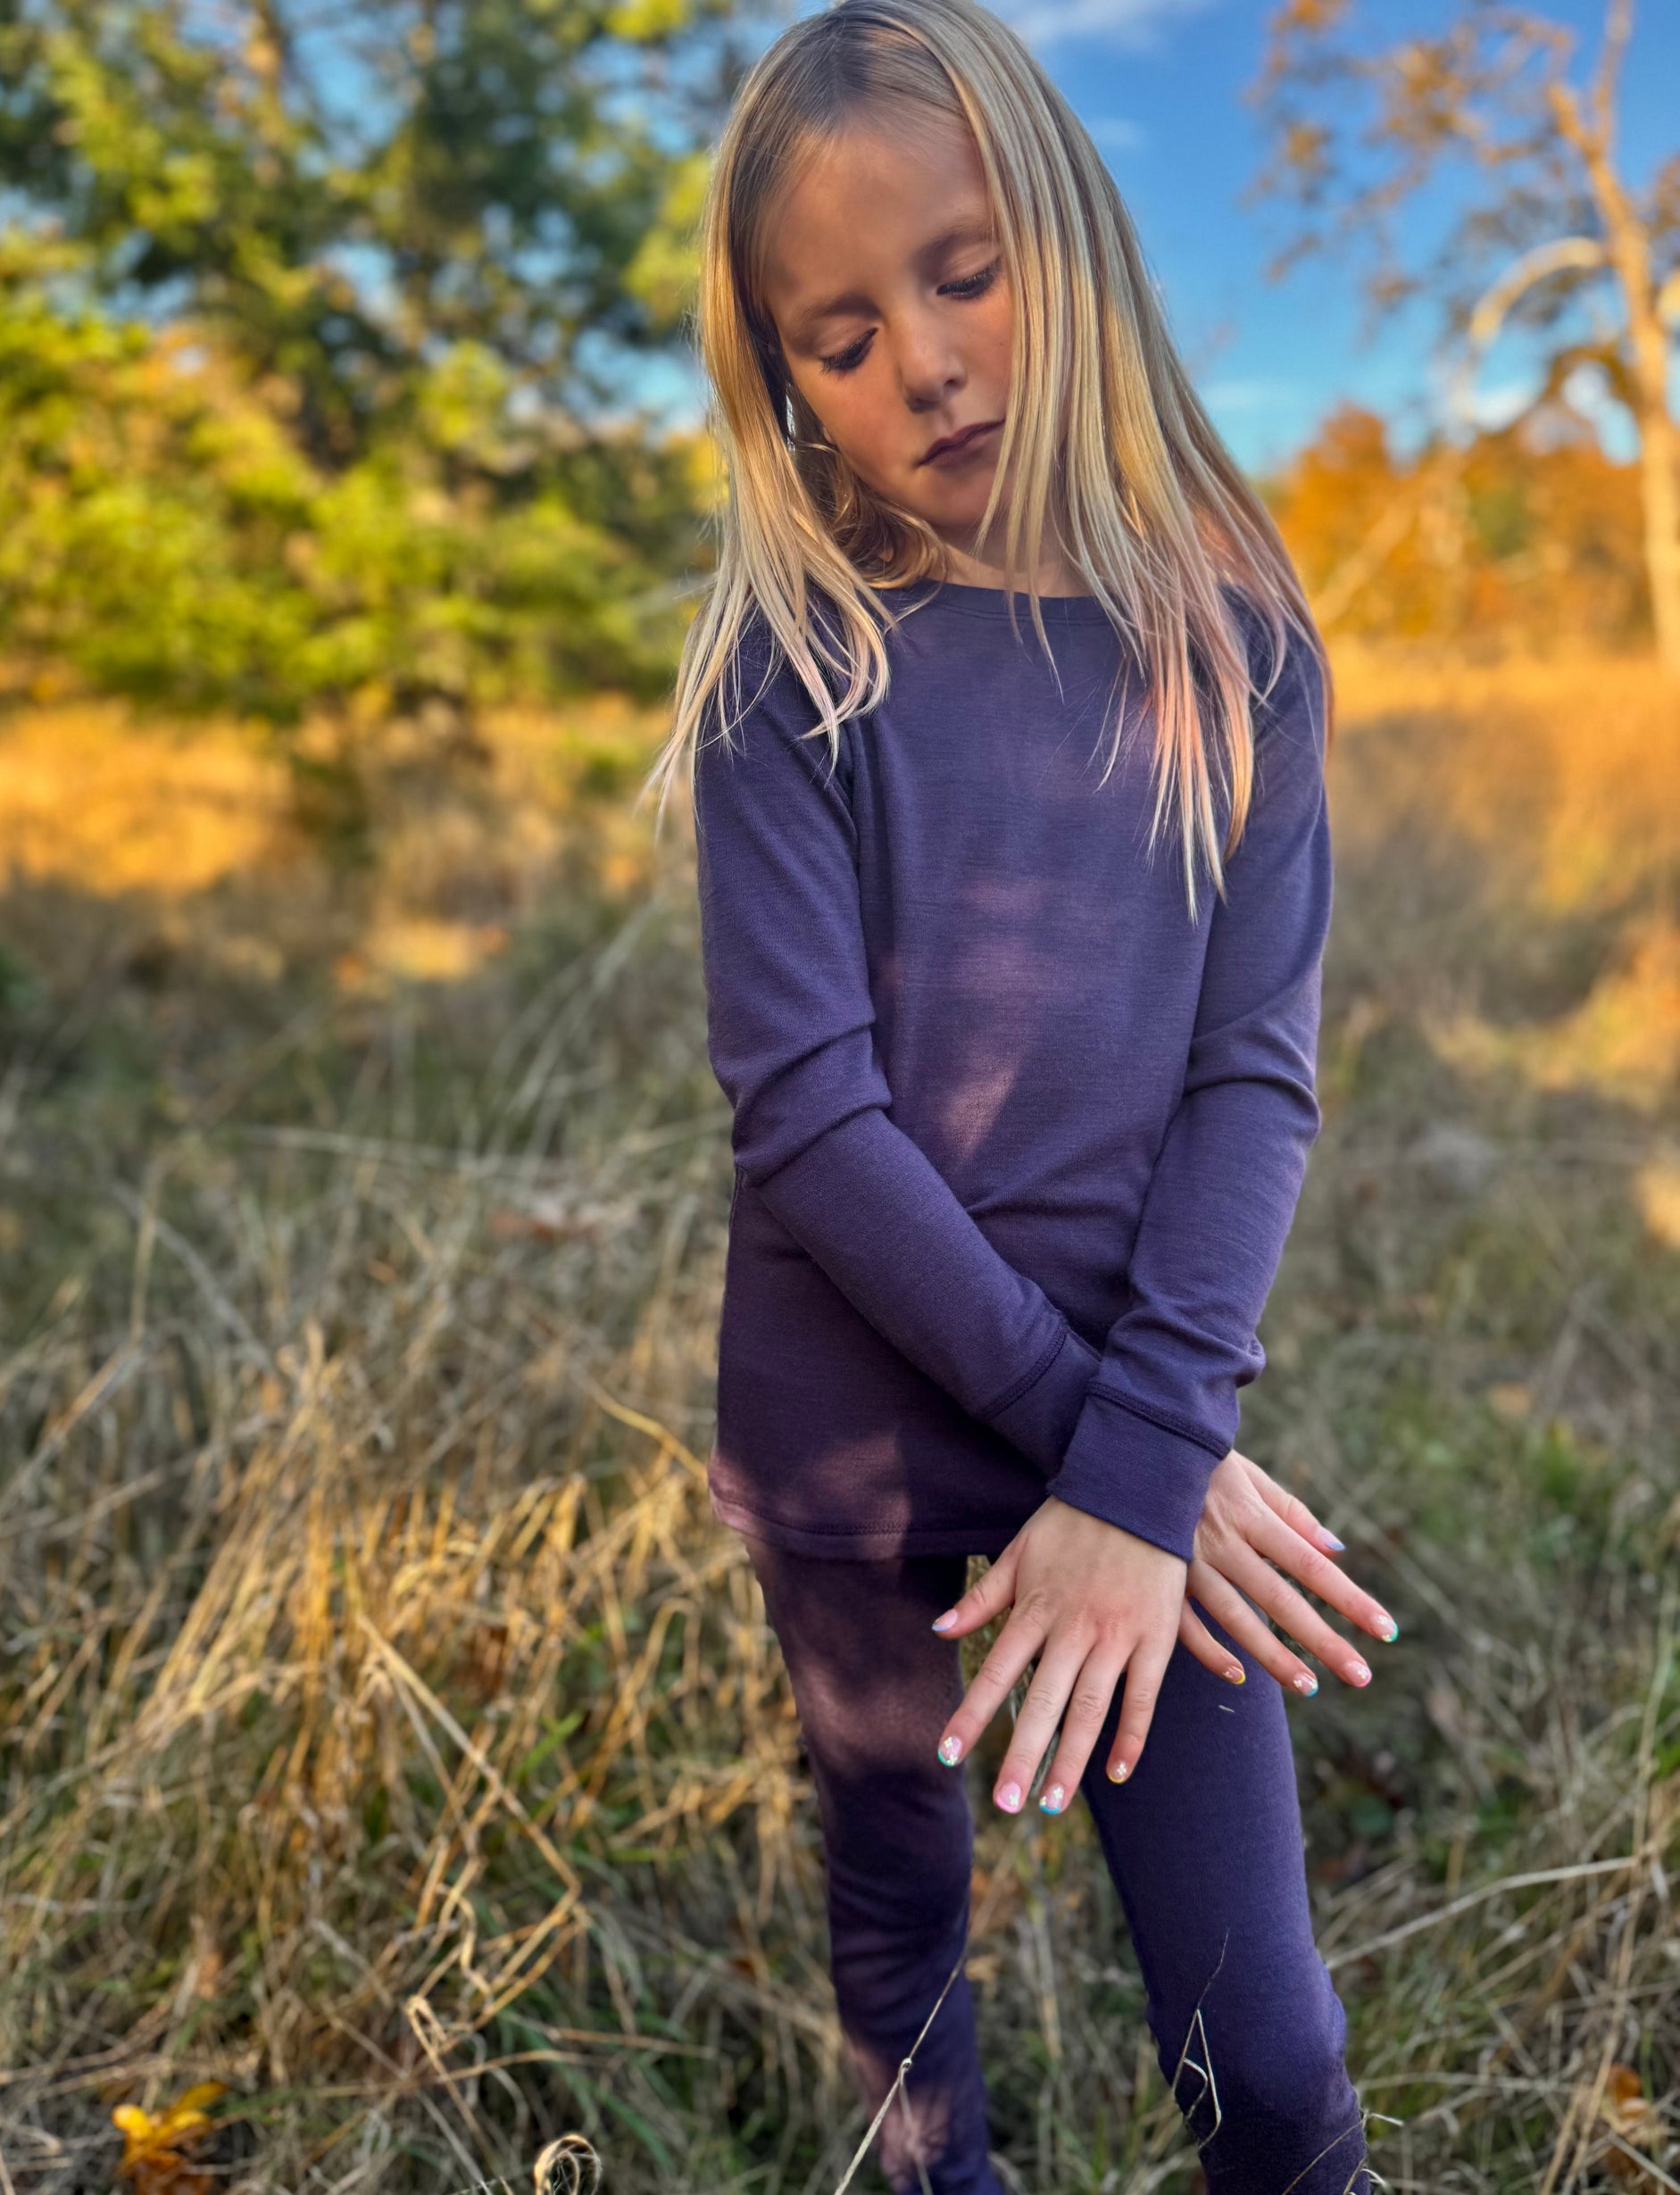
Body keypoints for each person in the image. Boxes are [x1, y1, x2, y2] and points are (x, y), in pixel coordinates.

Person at [644, 2, 1399, 2187]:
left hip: (1133, 1453)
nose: (930, 365)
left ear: (1069, 241)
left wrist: (1145, 1477)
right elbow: (805, 1113)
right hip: (866, 1448)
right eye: (844, 333)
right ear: (782, 376)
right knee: (899, 1917)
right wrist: (1133, 1448)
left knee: (1265, 2059)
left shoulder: (1237, 642)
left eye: (964, 274)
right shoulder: (802, 665)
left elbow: (1253, 1079)